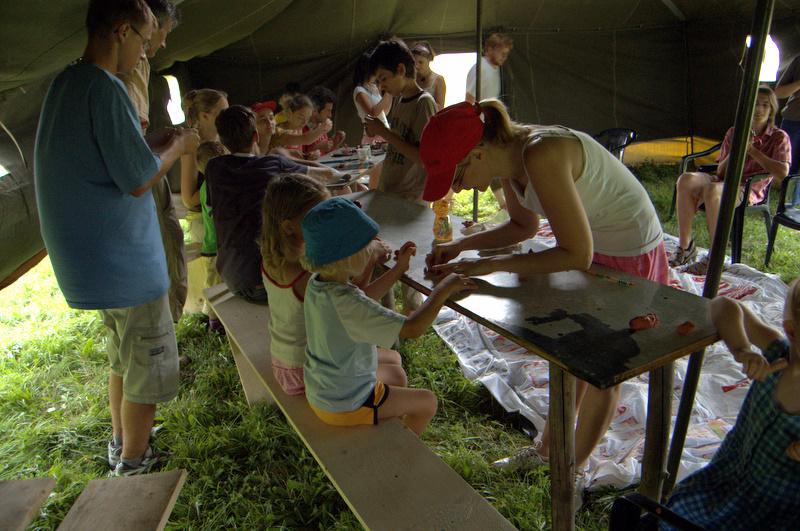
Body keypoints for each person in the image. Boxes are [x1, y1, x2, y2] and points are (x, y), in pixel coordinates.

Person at [419, 100, 668, 477]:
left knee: (605, 364)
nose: (457, 188)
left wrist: (490, 264)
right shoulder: (507, 155)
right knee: (573, 349)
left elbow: (576, 253)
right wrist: (461, 246)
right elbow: (523, 227)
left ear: (478, 154)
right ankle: (548, 451)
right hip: (596, 244)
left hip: (629, 252)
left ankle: (571, 472)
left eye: (457, 177)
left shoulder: (540, 154)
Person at [34, 0, 200, 476]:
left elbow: (109, 157)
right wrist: (180, 147)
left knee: (123, 357)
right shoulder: (106, 88)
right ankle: (134, 462)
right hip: (125, 264)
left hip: (94, 261)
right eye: (144, 41)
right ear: (122, 31)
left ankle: (121, 440)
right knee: (147, 362)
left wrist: (156, 144)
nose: (145, 52)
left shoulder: (68, 82)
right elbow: (138, 177)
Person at [300, 197, 476, 435]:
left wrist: (398, 269)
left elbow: (363, 299)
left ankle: (390, 419)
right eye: (368, 245)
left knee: (394, 363)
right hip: (346, 402)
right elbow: (413, 328)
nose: (374, 247)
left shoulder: (320, 284)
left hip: (325, 386)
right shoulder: (346, 302)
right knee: (427, 402)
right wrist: (443, 290)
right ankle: (404, 447)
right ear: (348, 256)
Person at [664, 282, 800, 530]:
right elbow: (722, 305)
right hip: (725, 481)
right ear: (791, 331)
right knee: (674, 518)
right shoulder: (777, 352)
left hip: (779, 511)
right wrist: (742, 349)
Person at [206, 105, 341, 304]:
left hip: (230, 277)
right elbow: (327, 175)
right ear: (256, 136)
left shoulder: (214, 168)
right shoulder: (272, 163)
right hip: (264, 283)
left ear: (222, 140)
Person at [671, 86, 791, 274]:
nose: (759, 109)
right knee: (685, 179)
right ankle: (685, 247)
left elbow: (783, 172)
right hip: (722, 180)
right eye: (755, 104)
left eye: (765, 105)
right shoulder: (734, 132)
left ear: (771, 110)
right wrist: (738, 149)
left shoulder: (778, 137)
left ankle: (715, 257)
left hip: (748, 188)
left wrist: (752, 151)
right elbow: (721, 171)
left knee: (713, 190)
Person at [118, 0, 185, 323]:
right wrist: (177, 149)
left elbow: (135, 135)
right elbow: (133, 169)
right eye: (164, 33)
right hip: (142, 174)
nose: (163, 43)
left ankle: (167, 323)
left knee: (169, 237)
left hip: (145, 163)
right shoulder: (124, 70)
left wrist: (159, 141)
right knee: (162, 242)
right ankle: (162, 326)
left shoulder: (140, 66)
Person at [364, 39, 436, 202]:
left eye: (383, 79)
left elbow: (423, 158)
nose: (381, 87)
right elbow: (400, 142)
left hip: (410, 198)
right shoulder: (399, 99)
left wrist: (383, 132)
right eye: (378, 82)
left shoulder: (423, 103)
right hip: (391, 191)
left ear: (401, 70)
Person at [179, 88, 228, 247]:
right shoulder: (192, 145)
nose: (229, 118)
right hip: (203, 223)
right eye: (223, 113)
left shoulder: (224, 140)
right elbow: (188, 200)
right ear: (205, 116)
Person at [196, 140, 228, 331]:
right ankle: (214, 322)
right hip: (215, 246)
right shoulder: (211, 187)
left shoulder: (209, 185)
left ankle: (219, 319)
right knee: (214, 286)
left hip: (218, 245)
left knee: (219, 284)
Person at [271, 94, 332, 159]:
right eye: (301, 118)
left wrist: (307, 156)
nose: (304, 123)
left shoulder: (298, 129)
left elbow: (296, 156)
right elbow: (306, 139)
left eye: (307, 118)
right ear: (289, 113)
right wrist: (321, 129)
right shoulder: (279, 132)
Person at [775, 54, 800, 204]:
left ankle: (793, 205)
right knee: (787, 165)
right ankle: (785, 204)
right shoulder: (798, 60)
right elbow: (778, 92)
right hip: (793, 120)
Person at [352, 51, 392, 144]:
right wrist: (388, 93)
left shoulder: (374, 87)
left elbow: (384, 112)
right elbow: (372, 113)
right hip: (372, 137)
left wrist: (390, 92)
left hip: (384, 133)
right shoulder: (359, 90)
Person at [465, 32, 513, 104]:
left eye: (506, 54)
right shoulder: (480, 69)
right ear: (490, 50)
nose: (504, 57)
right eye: (501, 53)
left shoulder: (495, 68)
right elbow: (469, 100)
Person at [304, 86, 346, 157]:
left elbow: (326, 156)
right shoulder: (301, 128)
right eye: (328, 110)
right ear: (316, 109)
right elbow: (295, 158)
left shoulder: (321, 125)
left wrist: (335, 143)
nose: (330, 115)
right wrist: (317, 147)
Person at [411, 41, 446, 110]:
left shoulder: (438, 80)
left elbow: (440, 108)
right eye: (414, 62)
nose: (417, 66)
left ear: (429, 60)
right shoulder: (412, 79)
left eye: (421, 62)